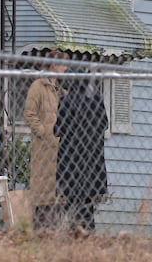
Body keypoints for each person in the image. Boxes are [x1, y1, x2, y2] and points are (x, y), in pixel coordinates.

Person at [54, 70, 108, 234]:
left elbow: (57, 130)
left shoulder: (66, 101)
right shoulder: (97, 100)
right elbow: (105, 125)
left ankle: (76, 230)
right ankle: (88, 230)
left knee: (72, 196)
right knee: (87, 198)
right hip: (92, 157)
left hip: (71, 157)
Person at [23, 50, 69, 228]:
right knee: (43, 188)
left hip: (60, 147)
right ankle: (42, 227)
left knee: (58, 187)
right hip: (43, 147)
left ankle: (56, 227)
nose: (65, 68)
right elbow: (29, 113)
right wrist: (42, 132)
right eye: (63, 64)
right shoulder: (38, 86)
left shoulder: (60, 88)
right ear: (54, 65)